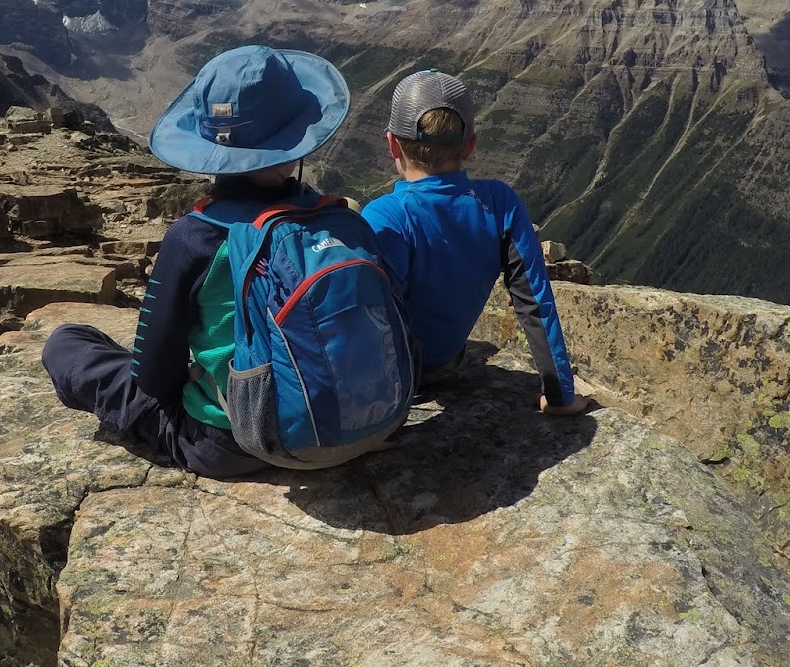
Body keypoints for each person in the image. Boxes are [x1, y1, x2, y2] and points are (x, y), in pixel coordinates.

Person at [41, 44, 363, 477]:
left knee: (68, 342)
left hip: (233, 442)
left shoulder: (195, 237)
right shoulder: (343, 221)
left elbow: (154, 378)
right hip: (358, 423)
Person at [361, 69, 589, 415]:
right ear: (470, 145)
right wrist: (560, 395)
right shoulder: (501, 202)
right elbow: (535, 299)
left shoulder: (384, 216)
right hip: (446, 363)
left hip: (398, 382)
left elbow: (371, 318)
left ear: (392, 142)